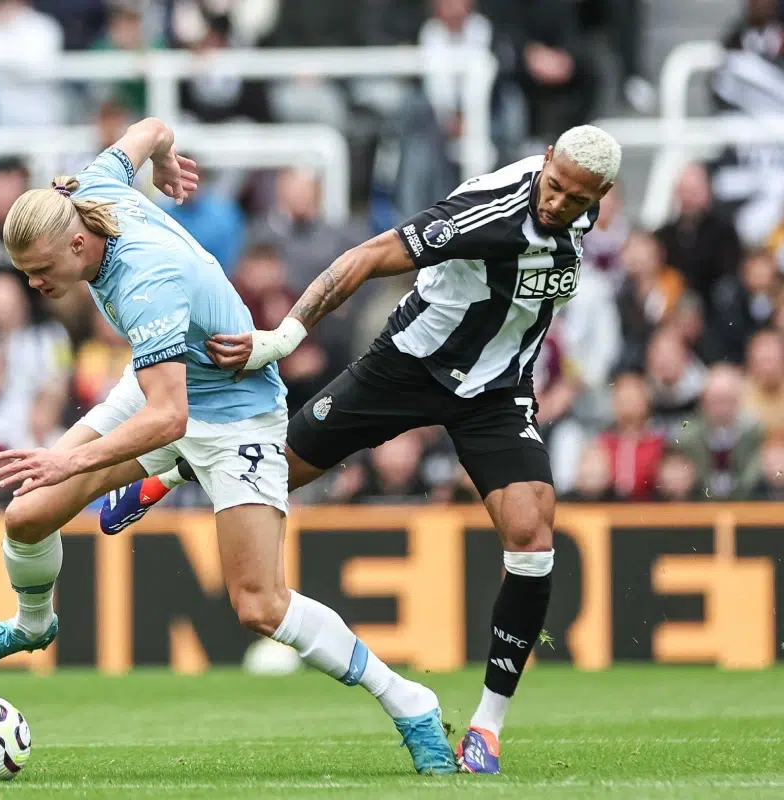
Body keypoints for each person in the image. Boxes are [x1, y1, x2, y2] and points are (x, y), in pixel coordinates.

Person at [0, 117, 458, 776]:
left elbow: (169, 418)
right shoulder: (90, 189)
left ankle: (410, 701)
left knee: (260, 605)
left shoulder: (144, 280)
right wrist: (164, 159)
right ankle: (33, 623)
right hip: (164, 384)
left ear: (77, 242)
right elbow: (152, 127)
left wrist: (69, 458)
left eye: (41, 271)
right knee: (27, 513)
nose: (34, 285)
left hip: (235, 415)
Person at [102, 125, 623, 774]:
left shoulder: (581, 206)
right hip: (408, 364)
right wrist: (284, 337)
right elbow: (369, 256)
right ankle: (171, 473)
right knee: (274, 470)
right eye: (554, 186)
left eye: (576, 199)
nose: (557, 203)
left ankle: (487, 728)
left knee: (533, 537)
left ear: (600, 196)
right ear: (545, 161)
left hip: (496, 391)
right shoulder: (490, 212)